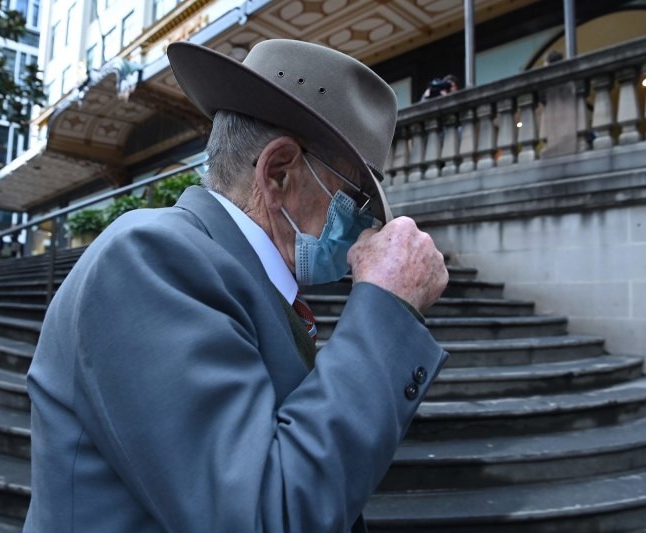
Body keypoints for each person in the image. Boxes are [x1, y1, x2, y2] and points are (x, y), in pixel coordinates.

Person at [24, 39, 449, 532]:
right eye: (355, 198)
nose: (362, 226)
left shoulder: (236, 273)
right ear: (278, 172)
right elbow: (266, 516)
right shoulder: (149, 257)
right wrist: (386, 308)